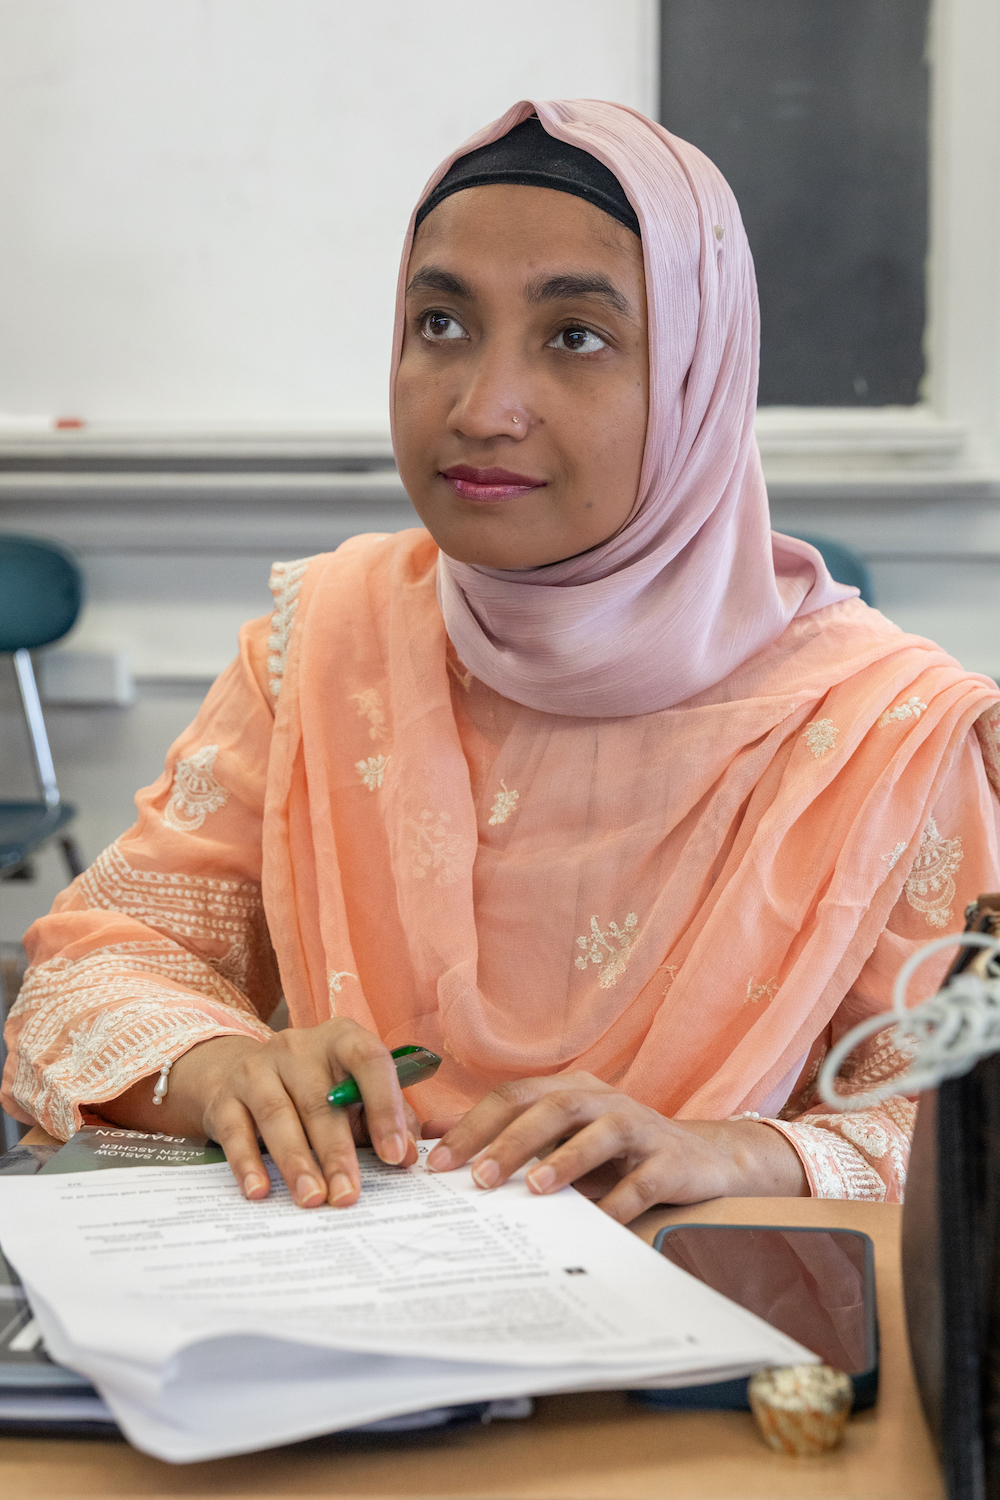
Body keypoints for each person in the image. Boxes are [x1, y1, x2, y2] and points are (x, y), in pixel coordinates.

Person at [5, 101, 1000, 1222]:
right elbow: (99, 966)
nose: (481, 408)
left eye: (575, 335)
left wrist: (742, 1154)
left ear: (695, 379)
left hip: (707, 1347)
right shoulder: (325, 643)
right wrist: (217, 1068)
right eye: (440, 324)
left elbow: (957, 1125)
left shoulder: (885, 731)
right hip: (345, 1323)